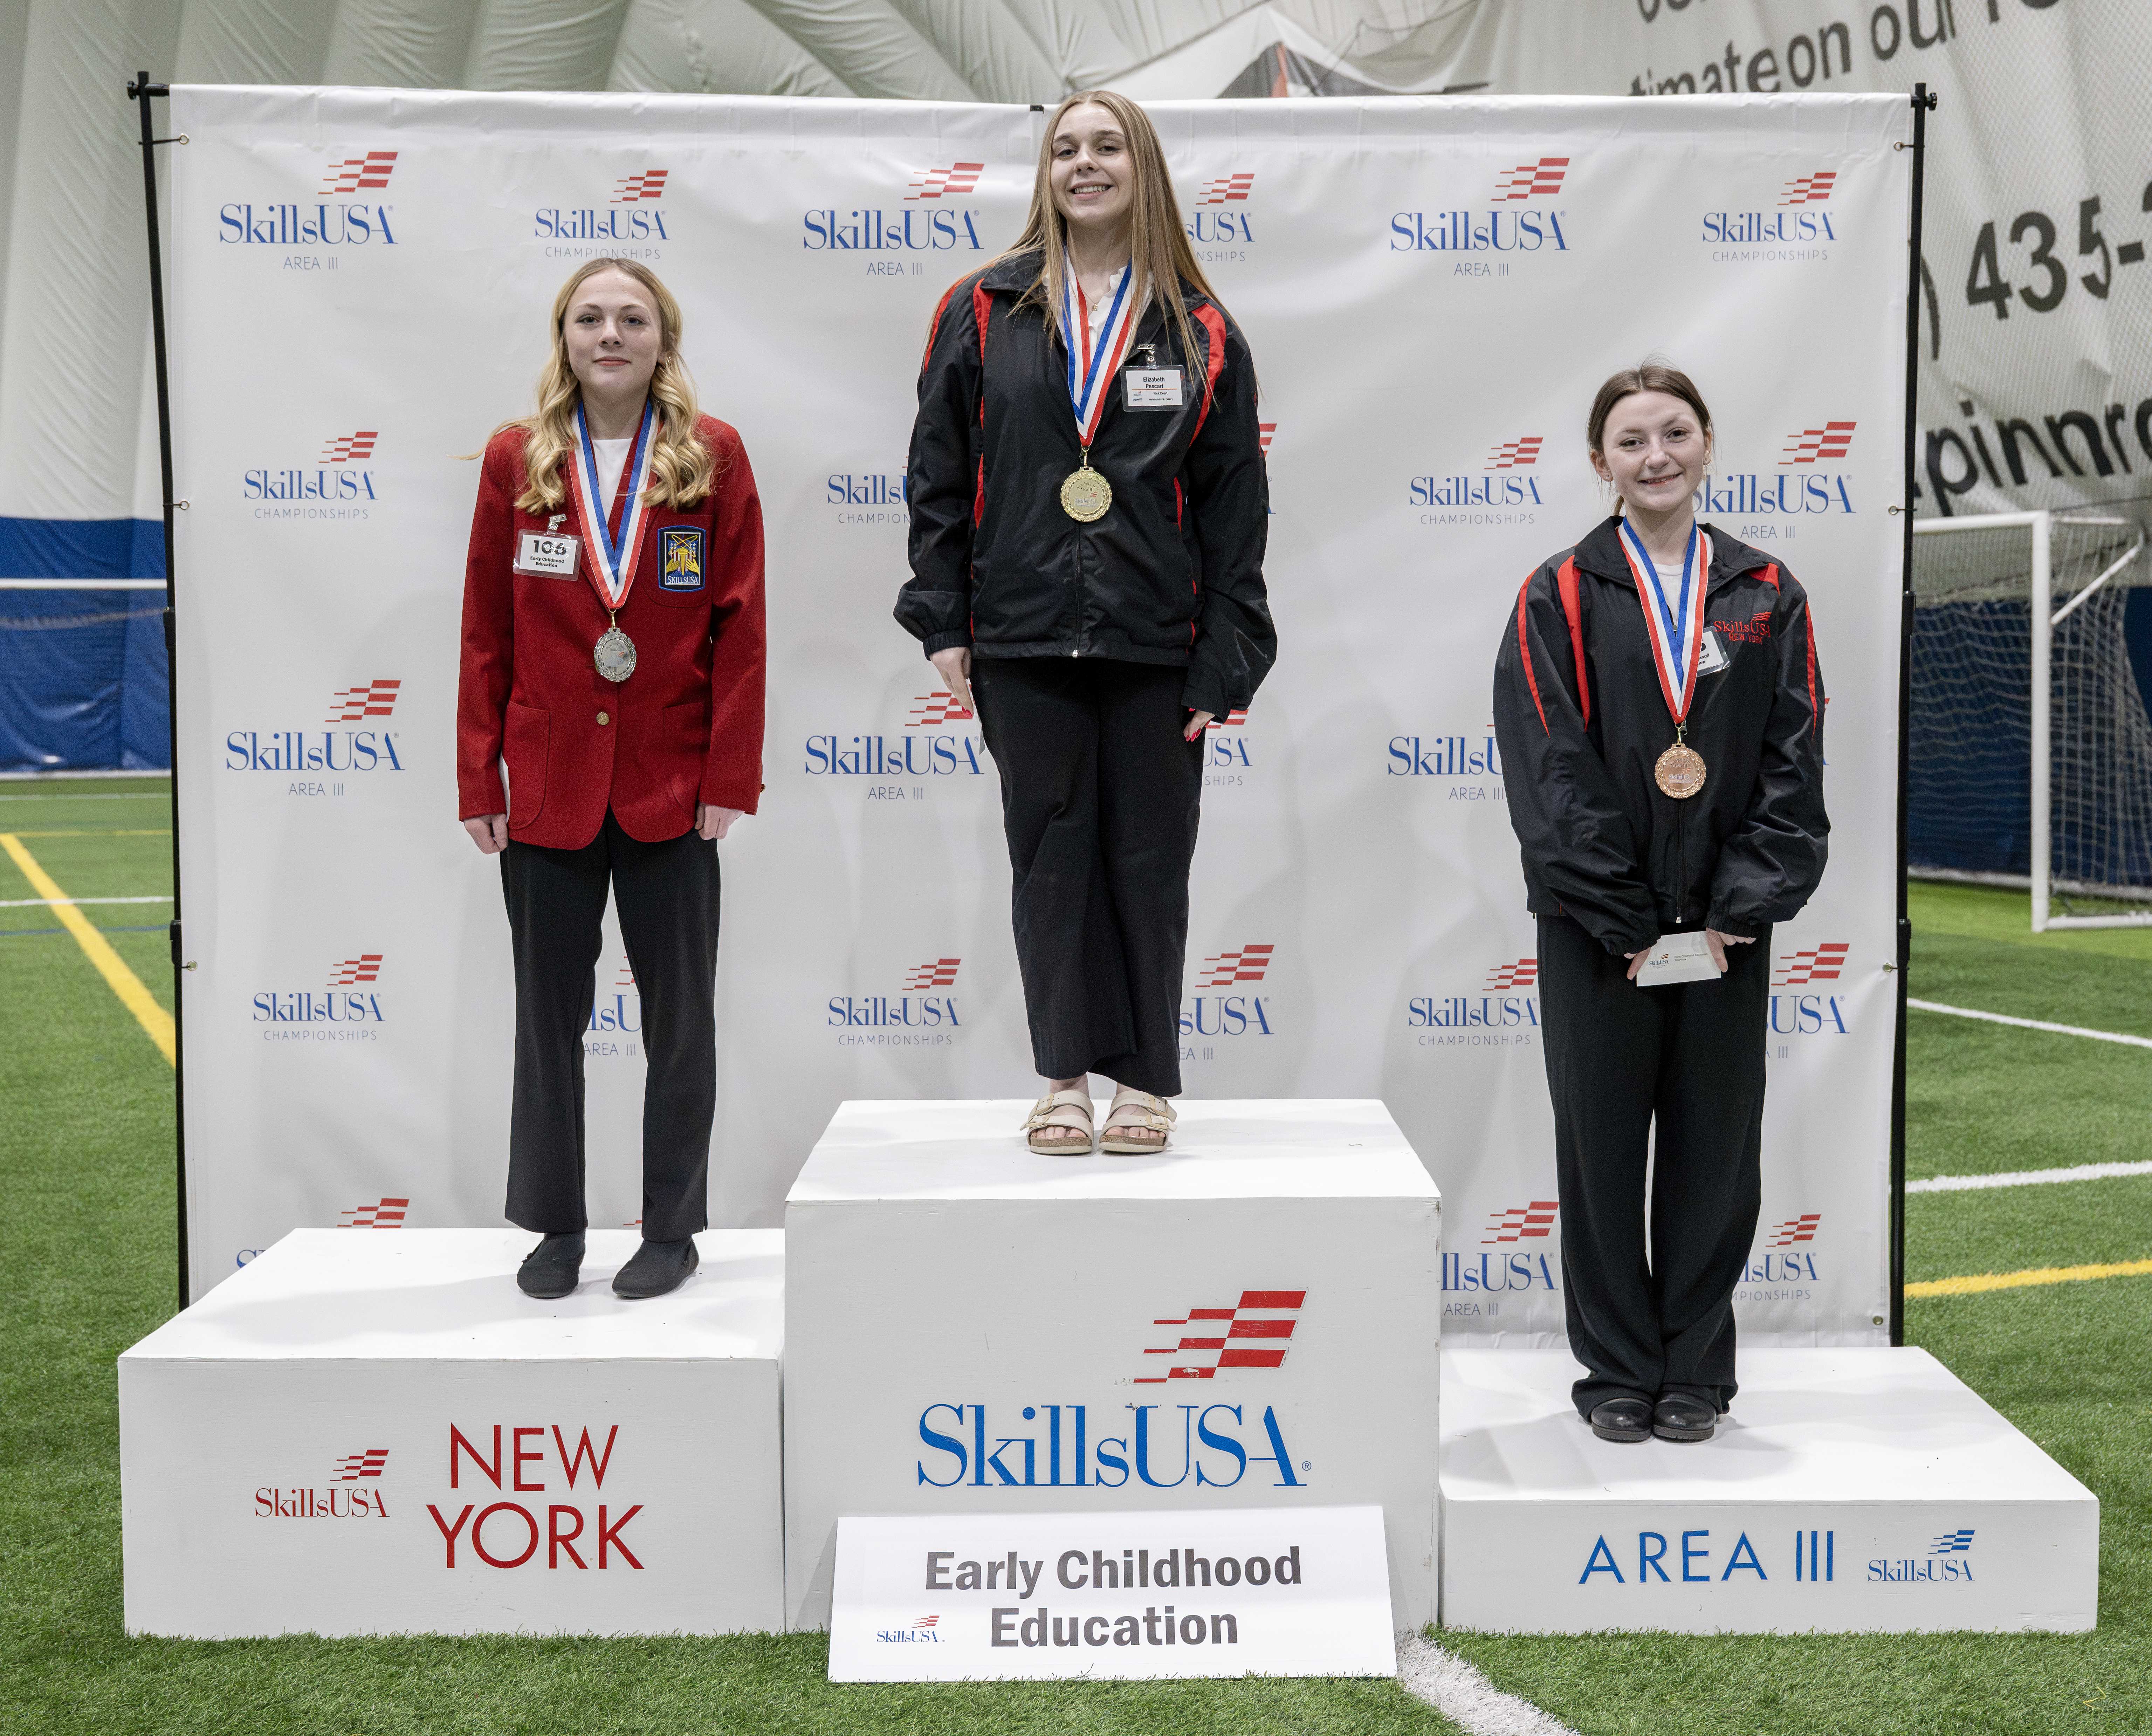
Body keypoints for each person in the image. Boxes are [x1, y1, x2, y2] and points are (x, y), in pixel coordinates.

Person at [896, 90, 1274, 1158]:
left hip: (1160, 642)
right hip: (1022, 636)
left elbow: (1236, 507)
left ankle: (1145, 1080)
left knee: (1151, 860)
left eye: (1107, 146)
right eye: (1066, 149)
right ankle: (1064, 1075)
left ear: (1142, 167)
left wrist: (1226, 661)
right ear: (1045, 174)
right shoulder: (982, 309)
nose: (1085, 164)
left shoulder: (1199, 328)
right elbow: (937, 476)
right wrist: (944, 621)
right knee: (1049, 859)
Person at [1491, 363, 1828, 1445]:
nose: (1656, 455)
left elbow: (1795, 761)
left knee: (1714, 1149)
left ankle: (1695, 1368)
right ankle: (1617, 1371)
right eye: (1631, 439)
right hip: (1600, 936)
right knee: (1598, 1152)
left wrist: (1738, 907)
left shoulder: (1769, 591)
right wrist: (1629, 919)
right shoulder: (1559, 593)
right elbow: (1548, 768)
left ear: (1708, 442)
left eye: (1674, 432)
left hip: (1728, 932)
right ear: (1601, 462)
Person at [456, 257, 766, 1301]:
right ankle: (553, 1224)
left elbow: (743, 628)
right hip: (546, 786)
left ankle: (671, 1226)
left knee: (682, 1016)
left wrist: (730, 773)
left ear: (662, 338)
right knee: (549, 1019)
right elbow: (483, 635)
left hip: (674, 785)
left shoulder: (713, 456)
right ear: (565, 338)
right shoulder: (518, 459)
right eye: (590, 317)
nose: (610, 334)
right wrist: (477, 777)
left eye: (632, 317)